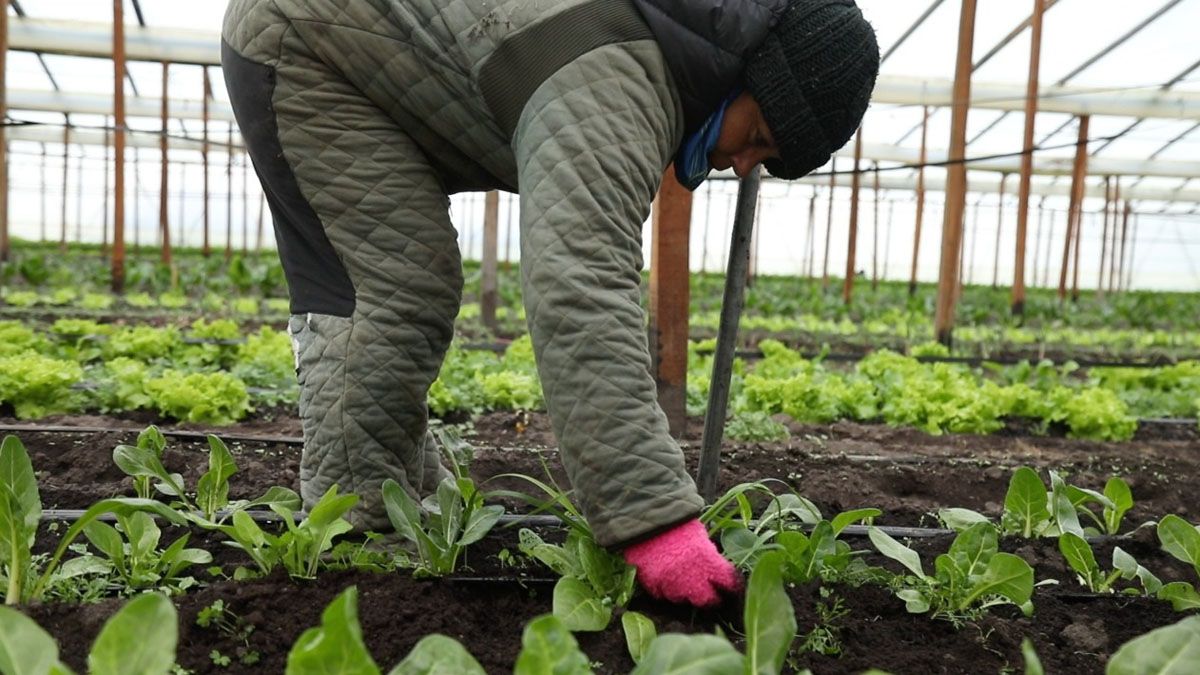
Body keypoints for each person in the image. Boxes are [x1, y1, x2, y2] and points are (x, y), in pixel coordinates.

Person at [222, 0, 879, 608]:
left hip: (351, 44)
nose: (744, 165)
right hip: (306, 43)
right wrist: (656, 523)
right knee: (386, 294)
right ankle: (354, 567)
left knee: (408, 282)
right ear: (750, 77)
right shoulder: (618, 80)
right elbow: (580, 286)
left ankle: (399, 516)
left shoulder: (655, 49)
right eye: (759, 135)